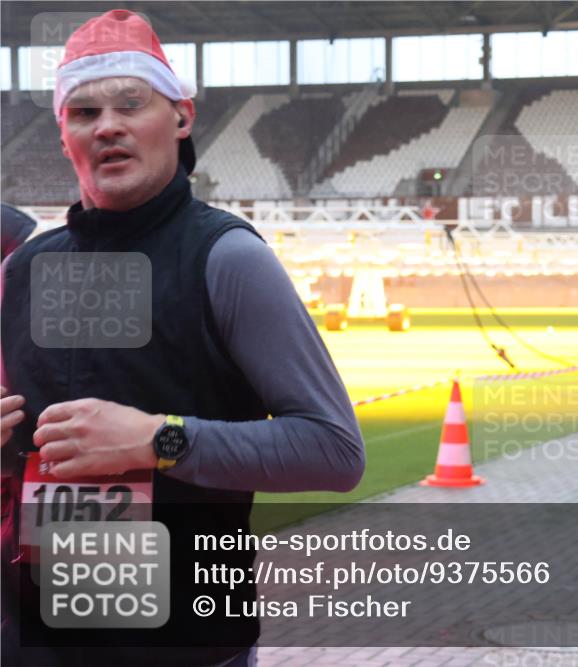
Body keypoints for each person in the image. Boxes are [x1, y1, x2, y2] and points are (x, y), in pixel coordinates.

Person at [0, 11, 364, 666]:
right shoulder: (20, 271)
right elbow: (17, 453)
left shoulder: (225, 258)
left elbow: (335, 451)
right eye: (82, 112)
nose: (106, 124)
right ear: (63, 138)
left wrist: (159, 438)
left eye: (130, 104)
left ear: (182, 117)